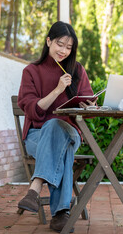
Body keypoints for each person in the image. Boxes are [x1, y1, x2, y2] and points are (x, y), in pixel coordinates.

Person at [17, 21, 96, 232]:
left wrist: (88, 105)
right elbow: (33, 110)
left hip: (70, 132)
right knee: (56, 135)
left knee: (57, 127)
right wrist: (58, 89)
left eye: (69, 47)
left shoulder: (77, 70)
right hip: (37, 136)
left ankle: (35, 188)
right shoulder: (31, 71)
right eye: (60, 44)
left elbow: (88, 105)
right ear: (48, 41)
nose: (64, 51)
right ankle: (61, 213)